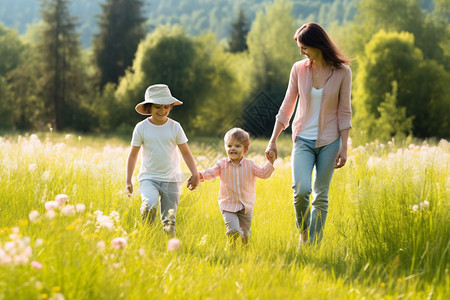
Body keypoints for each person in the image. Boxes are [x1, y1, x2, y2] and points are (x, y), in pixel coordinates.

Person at [265, 22, 352, 245]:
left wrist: (344, 146)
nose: (302, 52)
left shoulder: (342, 72)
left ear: (317, 45)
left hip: (330, 142)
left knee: (321, 196)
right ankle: (303, 230)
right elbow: (287, 105)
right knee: (301, 191)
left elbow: (344, 111)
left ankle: (312, 245)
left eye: (304, 47)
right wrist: (273, 140)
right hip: (303, 139)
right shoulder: (298, 69)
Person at [126, 84, 199, 236]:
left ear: (171, 107)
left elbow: (185, 152)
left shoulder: (175, 127)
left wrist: (195, 173)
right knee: (149, 206)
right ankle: (147, 234)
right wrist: (128, 180)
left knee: (170, 222)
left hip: (172, 180)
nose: (162, 111)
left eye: (166, 107)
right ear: (149, 108)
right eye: (157, 107)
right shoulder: (141, 128)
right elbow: (133, 155)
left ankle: (169, 250)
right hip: (149, 178)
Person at [199, 128, 275, 247]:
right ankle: (231, 249)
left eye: (237, 146)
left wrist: (271, 162)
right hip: (228, 205)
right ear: (225, 147)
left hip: (246, 206)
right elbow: (211, 172)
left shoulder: (250, 164)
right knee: (233, 231)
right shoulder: (222, 164)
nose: (233, 148)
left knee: (244, 234)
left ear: (245, 149)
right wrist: (199, 175)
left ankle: (243, 252)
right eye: (229, 145)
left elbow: (263, 174)